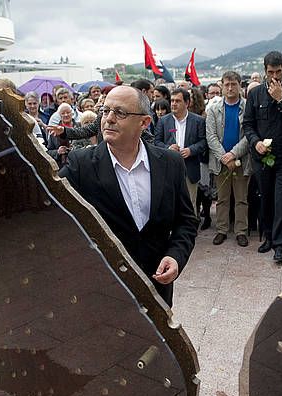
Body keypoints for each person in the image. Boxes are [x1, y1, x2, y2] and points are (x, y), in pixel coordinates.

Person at [59, 86, 198, 306]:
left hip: (157, 287)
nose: (109, 119)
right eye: (105, 111)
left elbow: (186, 221)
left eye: (120, 113)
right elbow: (52, 213)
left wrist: (175, 256)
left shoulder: (170, 163)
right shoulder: (81, 165)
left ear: (144, 123)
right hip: (103, 291)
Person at [242, 51, 282, 264]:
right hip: (263, 156)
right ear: (265, 71)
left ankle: (280, 245)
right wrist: (255, 141)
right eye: (271, 72)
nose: (275, 77)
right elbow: (248, 124)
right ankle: (267, 236)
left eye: (278, 72)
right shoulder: (255, 93)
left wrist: (281, 99)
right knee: (266, 198)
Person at [206, 71, 252, 247]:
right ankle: (222, 230)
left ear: (240, 85)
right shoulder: (213, 109)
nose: (230, 88)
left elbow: (250, 135)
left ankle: (241, 231)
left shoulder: (248, 108)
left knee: (241, 198)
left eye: (234, 84)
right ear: (222, 86)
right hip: (221, 161)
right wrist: (225, 157)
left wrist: (233, 154)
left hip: (242, 160)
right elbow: (211, 137)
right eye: (227, 84)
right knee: (222, 198)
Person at [154, 88, 207, 213]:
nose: (173, 104)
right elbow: (156, 142)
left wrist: (191, 150)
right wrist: (168, 148)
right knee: (171, 203)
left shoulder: (198, 121)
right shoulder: (163, 121)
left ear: (187, 103)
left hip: (190, 168)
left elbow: (204, 142)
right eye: (172, 100)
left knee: (190, 204)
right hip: (169, 169)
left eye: (177, 101)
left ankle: (190, 231)